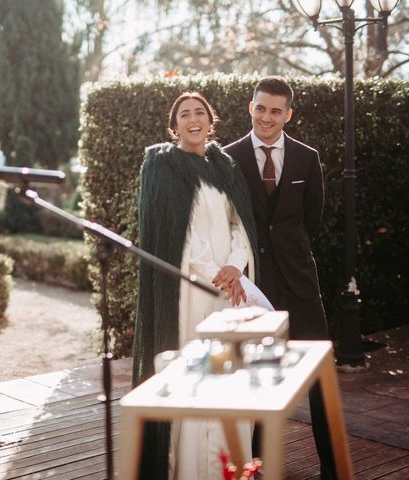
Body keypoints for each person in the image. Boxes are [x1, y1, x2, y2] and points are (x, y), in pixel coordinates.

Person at [133, 92, 258, 479]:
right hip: (189, 288)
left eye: (200, 112)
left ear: (210, 121)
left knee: (228, 374)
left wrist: (236, 266)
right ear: (175, 126)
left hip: (232, 292)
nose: (193, 119)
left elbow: (240, 222)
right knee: (193, 369)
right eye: (184, 114)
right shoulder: (164, 167)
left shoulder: (225, 167)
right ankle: (188, 469)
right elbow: (177, 232)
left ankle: (229, 466)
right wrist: (214, 272)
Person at [224, 76, 337, 479]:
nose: (267, 117)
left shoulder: (308, 158)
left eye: (276, 110)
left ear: (287, 114)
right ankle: (256, 469)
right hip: (254, 289)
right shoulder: (228, 156)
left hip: (301, 285)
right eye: (260, 108)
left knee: (319, 379)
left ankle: (332, 465)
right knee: (257, 378)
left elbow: (312, 219)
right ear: (249, 108)